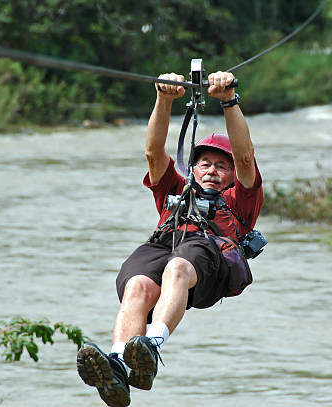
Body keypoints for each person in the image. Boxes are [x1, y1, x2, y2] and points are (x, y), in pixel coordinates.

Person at [76, 71, 264, 407]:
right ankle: (120, 362)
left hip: (208, 258)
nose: (212, 170)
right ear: (192, 169)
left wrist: (229, 100)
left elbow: (246, 156)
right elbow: (153, 153)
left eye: (222, 166)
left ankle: (152, 344)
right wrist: (163, 100)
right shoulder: (175, 190)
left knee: (178, 266)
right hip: (165, 245)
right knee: (138, 285)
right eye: (205, 163)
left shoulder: (241, 199)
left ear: (233, 176)